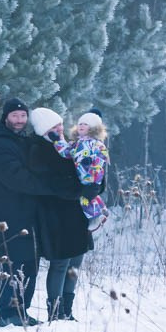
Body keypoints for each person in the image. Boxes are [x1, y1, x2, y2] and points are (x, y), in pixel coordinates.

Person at [0, 96, 84, 327]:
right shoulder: (1, 144)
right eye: (15, 116)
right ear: (6, 117)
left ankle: (21, 311)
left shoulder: (20, 140)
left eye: (23, 116)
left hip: (28, 214)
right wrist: (53, 187)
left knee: (28, 265)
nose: (19, 120)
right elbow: (19, 179)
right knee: (15, 263)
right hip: (10, 215)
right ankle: (9, 313)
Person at [28, 107, 102, 321]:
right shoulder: (38, 149)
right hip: (55, 214)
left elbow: (90, 170)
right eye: (54, 126)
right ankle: (56, 311)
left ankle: (67, 310)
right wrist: (80, 190)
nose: (60, 128)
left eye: (60, 124)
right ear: (44, 130)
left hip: (78, 213)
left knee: (76, 261)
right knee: (61, 262)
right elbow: (50, 183)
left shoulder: (72, 145)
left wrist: (96, 185)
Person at [51, 111, 110, 231]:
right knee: (84, 199)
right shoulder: (77, 144)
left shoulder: (97, 144)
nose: (81, 126)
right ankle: (101, 212)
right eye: (80, 123)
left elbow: (100, 162)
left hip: (90, 177)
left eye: (86, 124)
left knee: (88, 198)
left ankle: (96, 218)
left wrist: (95, 181)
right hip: (80, 177)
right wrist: (57, 140)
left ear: (93, 128)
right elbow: (66, 152)